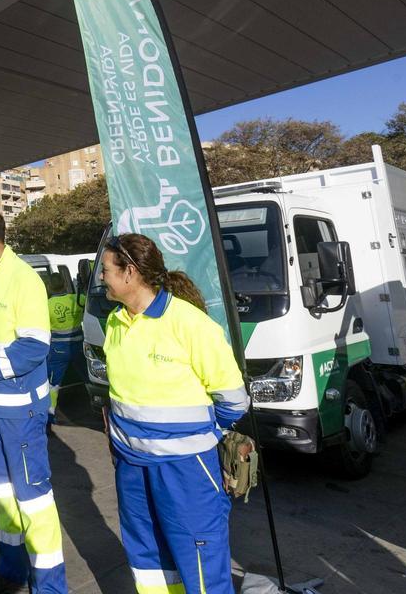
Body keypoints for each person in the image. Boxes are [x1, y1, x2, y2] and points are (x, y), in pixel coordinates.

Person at [99, 233, 248, 594]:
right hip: (131, 468)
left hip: (186, 472)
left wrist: (196, 436)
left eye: (106, 270)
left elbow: (234, 401)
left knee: (201, 566)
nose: (101, 277)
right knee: (149, 563)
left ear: (130, 273)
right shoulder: (114, 324)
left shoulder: (191, 325)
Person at [0, 207, 66, 594]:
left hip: (20, 412)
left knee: (33, 500)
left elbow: (35, 346)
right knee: (3, 497)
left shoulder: (23, 279)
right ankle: (11, 573)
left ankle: (51, 588)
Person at [45, 274, 83, 425]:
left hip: (58, 350)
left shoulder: (46, 305)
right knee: (89, 380)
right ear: (64, 284)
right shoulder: (77, 299)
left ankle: (49, 418)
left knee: (53, 385)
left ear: (49, 287)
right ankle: (101, 410)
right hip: (78, 347)